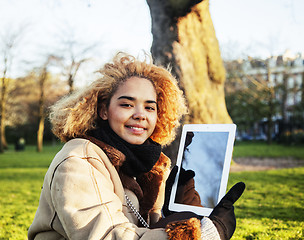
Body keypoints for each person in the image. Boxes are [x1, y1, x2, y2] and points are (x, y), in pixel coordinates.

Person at [28, 53, 245, 240]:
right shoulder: (80, 160)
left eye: (150, 107)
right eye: (127, 104)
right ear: (103, 110)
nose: (140, 115)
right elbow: (108, 235)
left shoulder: (146, 167)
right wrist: (207, 233)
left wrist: (174, 215)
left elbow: (139, 229)